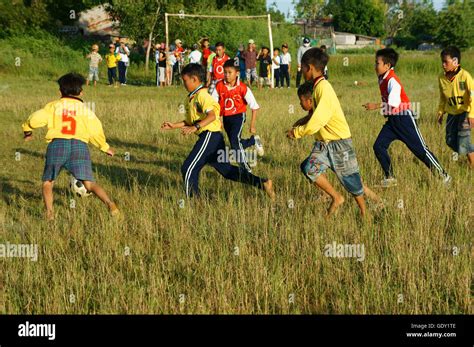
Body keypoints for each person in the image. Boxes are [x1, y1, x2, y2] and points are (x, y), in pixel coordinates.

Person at [160, 63, 275, 199]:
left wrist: (195, 127)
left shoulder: (203, 95)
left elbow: (212, 115)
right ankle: (262, 183)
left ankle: (194, 203)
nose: (183, 84)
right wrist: (174, 125)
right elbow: (191, 121)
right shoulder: (191, 97)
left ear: (195, 79)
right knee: (226, 171)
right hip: (213, 137)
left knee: (188, 168)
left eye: (185, 81)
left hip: (210, 135)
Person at [21, 73, 119, 221]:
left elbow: (35, 119)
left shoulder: (54, 106)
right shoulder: (85, 110)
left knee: (48, 182)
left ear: (60, 91)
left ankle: (49, 214)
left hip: (58, 145)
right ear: (81, 92)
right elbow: (95, 129)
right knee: (89, 183)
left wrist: (27, 129)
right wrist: (104, 147)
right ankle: (111, 205)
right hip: (79, 146)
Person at [286, 48, 369, 217]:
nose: (300, 71)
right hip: (324, 144)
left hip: (339, 143)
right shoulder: (318, 87)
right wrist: (300, 123)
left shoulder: (323, 88)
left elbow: (319, 120)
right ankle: (336, 198)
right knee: (309, 168)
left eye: (301, 67)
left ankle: (364, 213)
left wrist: (298, 132)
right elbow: (314, 115)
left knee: (350, 180)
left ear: (309, 67)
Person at [363, 48, 451, 187]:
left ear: (387, 65)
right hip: (392, 121)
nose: (375, 66)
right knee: (378, 146)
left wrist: (375, 105)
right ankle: (390, 177)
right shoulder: (382, 77)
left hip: (404, 119)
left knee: (420, 150)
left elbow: (394, 103)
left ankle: (444, 176)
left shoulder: (393, 80)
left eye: (377, 63)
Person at [211, 59, 265, 172]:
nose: (226, 75)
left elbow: (254, 107)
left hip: (239, 116)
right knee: (235, 143)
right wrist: (217, 119)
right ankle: (253, 140)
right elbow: (213, 105)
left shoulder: (243, 88)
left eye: (230, 72)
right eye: (225, 72)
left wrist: (252, 125)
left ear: (237, 73)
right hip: (226, 118)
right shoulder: (219, 85)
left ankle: (246, 168)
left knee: (235, 142)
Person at [437, 46, 474, 168]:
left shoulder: (465, 76)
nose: (443, 64)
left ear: (455, 62)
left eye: (445, 62)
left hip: (465, 112)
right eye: (442, 61)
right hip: (452, 114)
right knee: (450, 140)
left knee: (464, 140)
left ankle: (472, 165)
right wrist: (441, 111)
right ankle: (466, 154)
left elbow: (473, 96)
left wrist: (472, 114)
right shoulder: (441, 78)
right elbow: (443, 97)